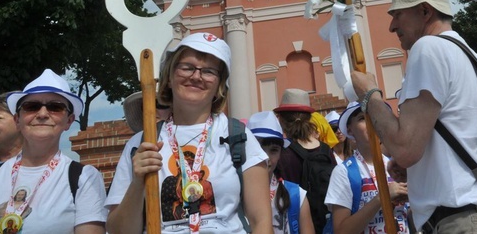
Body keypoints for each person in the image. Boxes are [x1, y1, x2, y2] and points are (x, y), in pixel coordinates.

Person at [351, 0, 477, 233]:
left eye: (398, 14)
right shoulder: (467, 52)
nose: (391, 26)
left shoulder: (428, 48)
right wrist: (421, 172)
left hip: (465, 220)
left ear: (424, 10)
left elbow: (405, 149)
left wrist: (370, 95)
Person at [106, 32, 272, 234]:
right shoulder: (141, 143)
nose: (196, 76)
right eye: (187, 67)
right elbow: (119, 231)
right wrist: (138, 181)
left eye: (209, 71)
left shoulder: (239, 137)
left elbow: (261, 221)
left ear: (220, 85)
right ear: (169, 77)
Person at [0, 69, 107, 233]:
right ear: (18, 120)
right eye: (31, 106)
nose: (43, 114)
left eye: (55, 107)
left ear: (69, 121)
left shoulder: (83, 178)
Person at [325, 101, 410, 234]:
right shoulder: (343, 172)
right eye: (362, 118)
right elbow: (341, 231)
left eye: (375, 116)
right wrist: (382, 197)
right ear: (349, 129)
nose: (371, 123)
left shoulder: (398, 167)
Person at [274, 89, 336, 233]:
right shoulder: (326, 150)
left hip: (295, 224)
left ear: (281, 120)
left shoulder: (282, 153)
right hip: (327, 223)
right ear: (310, 118)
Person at [247, 111, 314, 234]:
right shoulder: (231, 194)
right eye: (258, 148)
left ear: (280, 154)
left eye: (273, 150)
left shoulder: (296, 195)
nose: (265, 157)